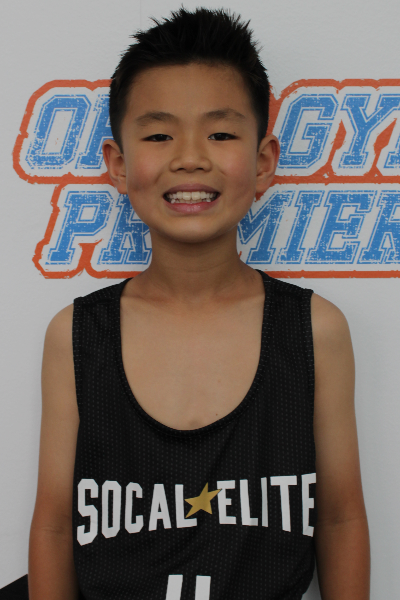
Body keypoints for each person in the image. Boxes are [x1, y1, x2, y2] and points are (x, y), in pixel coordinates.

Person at [28, 7, 370, 600]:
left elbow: (340, 518)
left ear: (263, 163)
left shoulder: (314, 330)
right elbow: (56, 526)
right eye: (159, 135)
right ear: (118, 164)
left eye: (221, 134)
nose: (190, 157)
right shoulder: (78, 335)